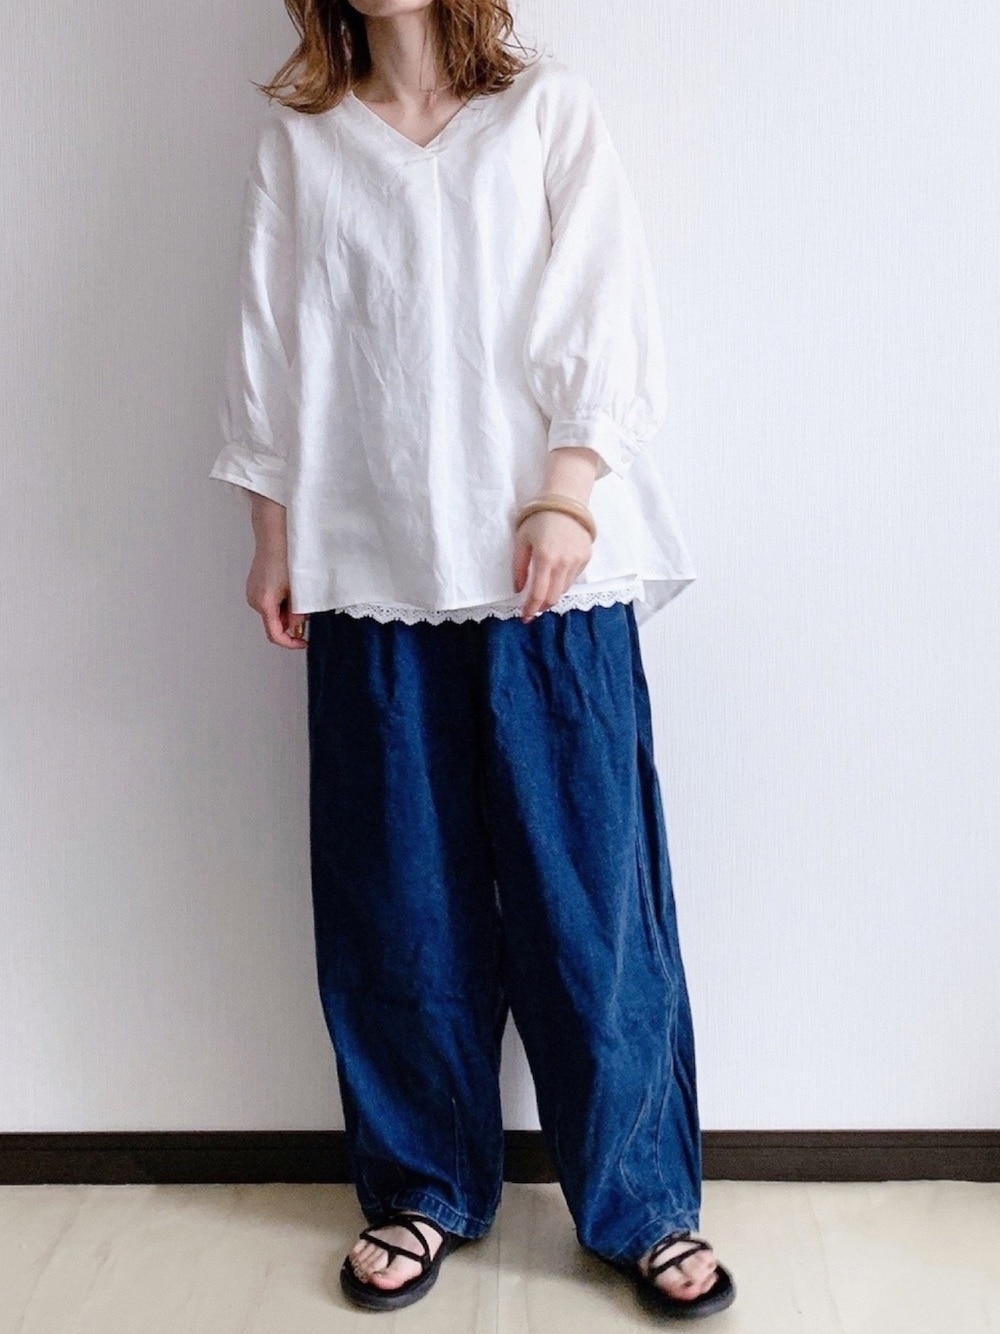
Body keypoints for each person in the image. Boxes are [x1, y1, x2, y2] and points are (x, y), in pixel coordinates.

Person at [210, 0, 735, 1320]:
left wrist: (569, 488)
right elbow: (270, 342)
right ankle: (422, 1186)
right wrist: (272, 532)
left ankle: (643, 1200)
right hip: (370, 570)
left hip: (549, 573)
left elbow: (607, 299)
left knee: (589, 902)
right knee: (397, 897)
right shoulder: (304, 141)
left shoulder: (545, 112)